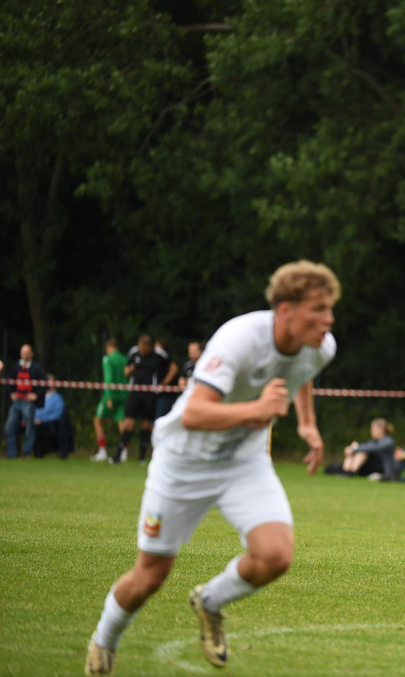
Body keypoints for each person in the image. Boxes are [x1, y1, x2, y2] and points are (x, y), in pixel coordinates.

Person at [84, 260, 339, 674]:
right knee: (150, 576)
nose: (328, 319)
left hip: (244, 462)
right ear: (285, 310)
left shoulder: (321, 345)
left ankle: (210, 601)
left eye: (330, 309)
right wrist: (257, 409)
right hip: (183, 462)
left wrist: (307, 424)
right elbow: (194, 413)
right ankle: (104, 639)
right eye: (318, 309)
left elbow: (303, 371)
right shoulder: (240, 338)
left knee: (276, 555)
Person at [113, 335, 170, 464]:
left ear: (149, 347)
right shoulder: (133, 352)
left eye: (144, 348)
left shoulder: (158, 355)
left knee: (145, 425)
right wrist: (130, 370)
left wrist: (164, 382)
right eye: (140, 347)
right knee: (128, 424)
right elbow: (126, 372)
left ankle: (142, 458)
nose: (141, 350)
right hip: (134, 392)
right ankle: (117, 456)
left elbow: (173, 367)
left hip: (149, 394)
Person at [5, 344, 47, 459]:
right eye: (23, 353)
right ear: (20, 354)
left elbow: (44, 383)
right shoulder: (16, 366)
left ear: (32, 354)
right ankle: (12, 454)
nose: (25, 355)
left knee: (29, 428)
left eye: (27, 353)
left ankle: (26, 453)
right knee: (9, 427)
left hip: (28, 403)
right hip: (17, 401)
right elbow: (9, 381)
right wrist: (12, 393)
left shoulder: (36, 368)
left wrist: (36, 395)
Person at [92, 339, 128, 462]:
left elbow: (109, 379)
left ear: (109, 347)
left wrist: (109, 397)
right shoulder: (125, 359)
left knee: (97, 420)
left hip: (111, 394)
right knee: (122, 422)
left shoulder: (107, 359)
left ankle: (102, 451)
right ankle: (124, 451)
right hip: (124, 394)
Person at [34, 374, 74, 459]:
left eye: (50, 381)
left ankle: (39, 453)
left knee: (39, 427)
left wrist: (42, 420)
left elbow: (57, 415)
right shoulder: (39, 396)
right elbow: (35, 410)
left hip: (50, 423)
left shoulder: (57, 398)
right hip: (36, 421)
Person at [153, 338, 180, 420]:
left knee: (159, 420)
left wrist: (163, 383)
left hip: (165, 394)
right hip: (159, 394)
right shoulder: (162, 356)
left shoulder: (163, 355)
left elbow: (174, 368)